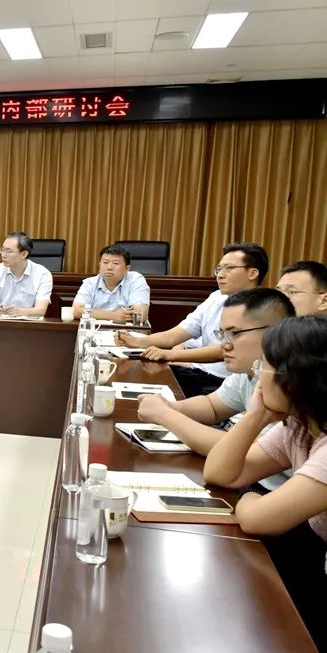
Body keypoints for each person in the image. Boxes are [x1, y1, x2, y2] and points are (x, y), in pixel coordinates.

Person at [203, 316, 327, 651]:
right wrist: (255, 415)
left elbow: (258, 519)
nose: (258, 375)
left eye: (265, 366)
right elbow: (220, 472)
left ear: (295, 378)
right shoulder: (300, 426)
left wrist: (247, 495)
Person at [137, 288, 294, 455]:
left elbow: (252, 451)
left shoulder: (290, 379)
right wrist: (168, 406)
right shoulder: (248, 369)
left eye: (234, 333)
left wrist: (165, 415)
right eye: (222, 334)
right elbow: (213, 407)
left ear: (274, 332)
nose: (224, 345)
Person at [116, 242, 267, 397]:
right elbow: (175, 335)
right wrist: (137, 341)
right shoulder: (216, 297)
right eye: (219, 269)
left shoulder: (261, 308)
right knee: (132, 377)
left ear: (252, 273)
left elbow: (226, 349)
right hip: (196, 372)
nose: (220, 275)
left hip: (223, 383)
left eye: (229, 268)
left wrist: (170, 355)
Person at [0, 231, 52, 317]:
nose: (3, 255)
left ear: (24, 254)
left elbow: (40, 310)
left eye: (9, 251)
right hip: (0, 323)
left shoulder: (42, 274)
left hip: (28, 323)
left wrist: (20, 312)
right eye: (2, 250)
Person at [72, 244, 151, 323]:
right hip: (96, 329)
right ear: (99, 265)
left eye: (116, 263)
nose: (109, 267)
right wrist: (114, 315)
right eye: (105, 262)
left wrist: (92, 313)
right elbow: (75, 311)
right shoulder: (90, 283)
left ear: (127, 268)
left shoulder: (135, 280)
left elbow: (139, 316)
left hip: (126, 330)